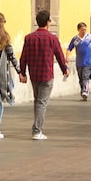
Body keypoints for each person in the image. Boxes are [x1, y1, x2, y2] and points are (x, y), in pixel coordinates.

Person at [18, 9, 69, 141]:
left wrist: (22, 73)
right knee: (42, 102)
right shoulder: (52, 38)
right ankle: (37, 130)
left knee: (37, 101)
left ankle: (37, 127)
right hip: (47, 74)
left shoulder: (29, 38)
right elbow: (59, 55)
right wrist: (65, 69)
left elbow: (23, 57)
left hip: (34, 73)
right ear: (48, 22)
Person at [66, 22, 91, 101]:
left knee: (85, 77)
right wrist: (66, 57)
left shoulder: (90, 37)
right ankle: (83, 93)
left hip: (88, 62)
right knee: (81, 78)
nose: (83, 31)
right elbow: (69, 48)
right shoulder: (75, 39)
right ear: (78, 30)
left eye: (85, 29)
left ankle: (85, 91)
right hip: (79, 62)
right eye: (82, 30)